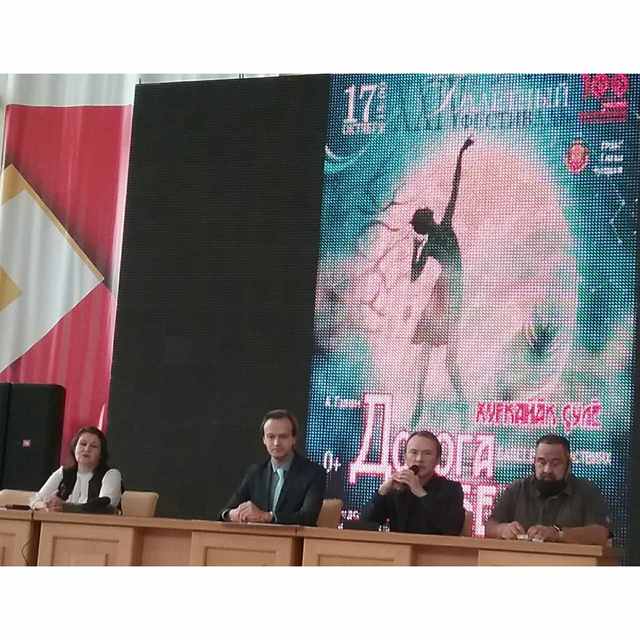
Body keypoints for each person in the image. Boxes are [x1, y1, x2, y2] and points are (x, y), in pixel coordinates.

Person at [410, 136, 474, 396]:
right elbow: (455, 187)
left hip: (450, 288)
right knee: (435, 346)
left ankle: (429, 397)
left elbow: (414, 275)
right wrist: (415, 249)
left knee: (440, 347)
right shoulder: (442, 229)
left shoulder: (434, 238)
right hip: (449, 288)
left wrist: (460, 154)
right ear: (427, 221)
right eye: (424, 212)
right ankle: (422, 397)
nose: (427, 209)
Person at [484, 434, 609, 545]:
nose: (547, 470)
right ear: (534, 463)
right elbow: (489, 527)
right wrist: (502, 529)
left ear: (568, 466)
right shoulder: (517, 489)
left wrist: (558, 534)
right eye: (541, 462)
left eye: (555, 463)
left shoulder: (586, 491)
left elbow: (601, 534)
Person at [219, 409, 326, 526]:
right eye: (271, 437)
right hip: (257, 536)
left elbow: (308, 518)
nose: (276, 443)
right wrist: (232, 514)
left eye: (283, 436)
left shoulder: (314, 473)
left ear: (294, 439)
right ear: (264, 440)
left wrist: (266, 516)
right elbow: (224, 512)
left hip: (295, 537)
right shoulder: (255, 473)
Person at [361, 430, 465, 535]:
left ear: (438, 460)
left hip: (435, 546)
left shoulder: (452, 489)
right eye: (414, 452)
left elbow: (452, 528)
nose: (419, 459)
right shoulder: (397, 489)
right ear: (405, 457)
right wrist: (381, 492)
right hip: (400, 545)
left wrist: (420, 492)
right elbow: (365, 524)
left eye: (427, 453)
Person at [31, 426, 122, 513]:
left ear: (101, 454)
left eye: (94, 446)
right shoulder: (63, 472)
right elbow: (34, 501)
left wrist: (65, 507)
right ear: (74, 448)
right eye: (83, 444)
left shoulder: (111, 474)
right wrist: (47, 505)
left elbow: (106, 506)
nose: (87, 449)